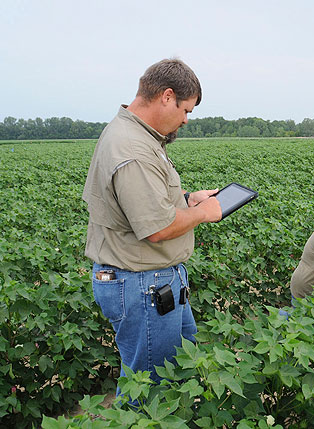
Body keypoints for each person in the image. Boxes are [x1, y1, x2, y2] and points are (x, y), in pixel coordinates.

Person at [82, 58, 222, 388]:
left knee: (177, 370)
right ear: (167, 96)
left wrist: (187, 201)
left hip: (153, 281)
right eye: (186, 110)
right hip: (142, 285)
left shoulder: (137, 135)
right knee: (148, 389)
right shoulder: (131, 147)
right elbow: (157, 228)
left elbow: (145, 204)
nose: (186, 120)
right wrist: (205, 212)